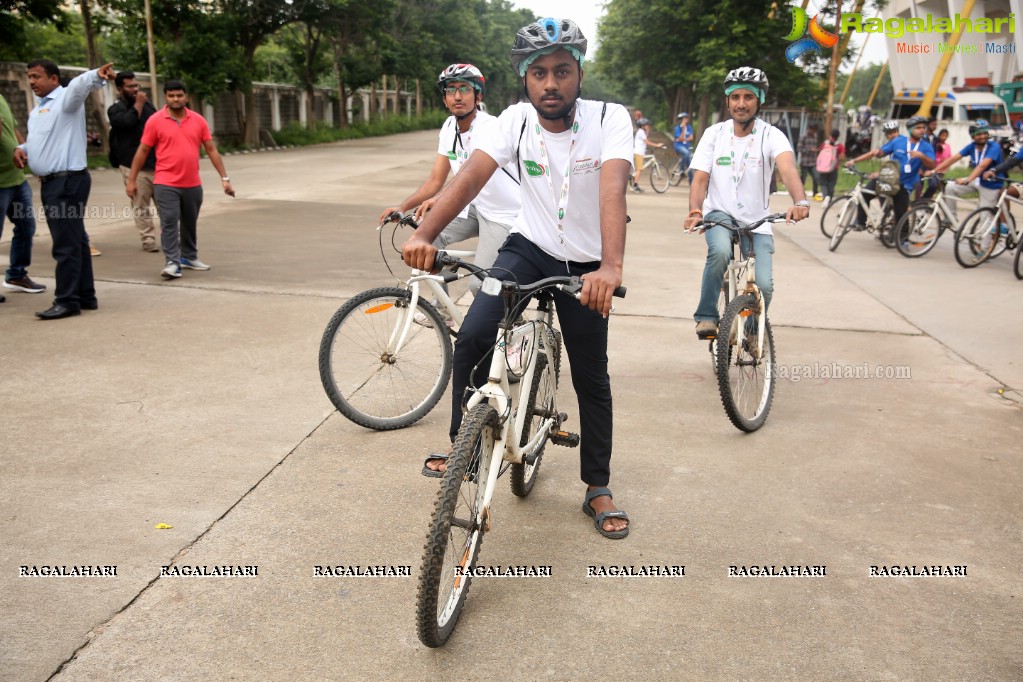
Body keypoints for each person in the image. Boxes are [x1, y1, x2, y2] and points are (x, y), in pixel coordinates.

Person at [402, 17, 633, 539]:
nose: (550, 83)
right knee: (475, 337)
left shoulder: (608, 119)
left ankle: (597, 486)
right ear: (524, 80)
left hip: (587, 262)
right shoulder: (515, 121)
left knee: (591, 375)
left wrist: (610, 268)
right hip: (527, 249)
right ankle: (464, 447)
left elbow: (612, 192)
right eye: (539, 74)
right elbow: (469, 177)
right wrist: (428, 236)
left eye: (562, 71)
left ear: (578, 74)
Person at [684, 66, 809, 341]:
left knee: (764, 285)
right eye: (735, 97)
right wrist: (695, 211)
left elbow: (787, 169)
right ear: (727, 100)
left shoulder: (771, 135)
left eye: (748, 97)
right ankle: (706, 316)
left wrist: (800, 200)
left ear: (759, 100)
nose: (741, 103)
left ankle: (751, 334)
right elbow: (700, 179)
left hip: (757, 219)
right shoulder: (713, 134)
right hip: (719, 213)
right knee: (719, 253)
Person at [378, 63, 519, 297]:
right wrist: (402, 207)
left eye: (464, 89)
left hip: (504, 214)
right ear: (444, 99)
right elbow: (435, 180)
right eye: (450, 90)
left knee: (482, 286)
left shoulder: (490, 128)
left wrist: (439, 199)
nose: (457, 96)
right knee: (424, 238)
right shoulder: (449, 128)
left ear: (478, 95)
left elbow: (469, 177)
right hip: (475, 207)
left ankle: (514, 328)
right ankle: (441, 309)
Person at [14, 59, 115, 320]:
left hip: (67, 182)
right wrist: (22, 149)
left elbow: (80, 86)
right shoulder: (37, 112)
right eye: (29, 77)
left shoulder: (66, 102)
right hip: (54, 183)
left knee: (65, 244)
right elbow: (40, 142)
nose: (32, 81)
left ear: (54, 79)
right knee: (77, 240)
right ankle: (85, 296)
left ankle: (67, 300)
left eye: (37, 76)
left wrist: (96, 75)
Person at [126, 80, 234, 280]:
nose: (175, 99)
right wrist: (132, 180)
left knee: (189, 222)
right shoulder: (156, 121)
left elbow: (211, 149)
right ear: (165, 97)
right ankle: (172, 262)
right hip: (165, 182)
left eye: (179, 95)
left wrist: (224, 178)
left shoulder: (198, 120)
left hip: (192, 183)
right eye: (171, 96)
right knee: (169, 222)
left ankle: (189, 257)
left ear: (186, 96)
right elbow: (142, 151)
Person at [844, 116, 935, 231]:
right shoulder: (898, 141)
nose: (922, 130)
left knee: (900, 211)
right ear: (910, 129)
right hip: (889, 179)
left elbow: (932, 165)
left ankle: (902, 238)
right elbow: (880, 153)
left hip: (905, 184)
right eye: (918, 127)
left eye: (923, 127)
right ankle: (861, 222)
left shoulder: (926, 146)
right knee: (865, 193)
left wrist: (921, 156)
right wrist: (875, 154)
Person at [0, 92, 46, 301]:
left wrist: (29, 153)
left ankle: (17, 275)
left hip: (16, 180)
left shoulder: (1, 97)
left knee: (27, 227)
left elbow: (13, 129)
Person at [108, 70, 159, 252]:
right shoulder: (115, 109)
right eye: (130, 87)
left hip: (155, 163)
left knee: (165, 203)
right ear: (120, 89)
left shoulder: (147, 106)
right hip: (132, 166)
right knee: (140, 204)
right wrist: (137, 104)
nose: (135, 89)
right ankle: (148, 239)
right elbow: (128, 122)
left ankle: (172, 236)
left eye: (136, 85)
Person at [929, 120, 1002, 221]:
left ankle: (987, 235)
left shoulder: (994, 146)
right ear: (972, 136)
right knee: (950, 187)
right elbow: (954, 158)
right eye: (979, 134)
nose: (983, 136)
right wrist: (934, 170)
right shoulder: (972, 146)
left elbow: (982, 165)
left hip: (990, 184)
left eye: (985, 133)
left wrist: (967, 179)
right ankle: (951, 217)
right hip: (976, 180)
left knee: (984, 217)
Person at [631, 117, 664, 192]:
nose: (648, 126)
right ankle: (635, 185)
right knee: (639, 169)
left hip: (639, 152)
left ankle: (633, 181)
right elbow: (647, 142)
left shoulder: (641, 132)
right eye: (646, 125)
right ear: (642, 126)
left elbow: (644, 140)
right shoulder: (641, 132)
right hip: (638, 153)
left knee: (638, 169)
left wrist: (647, 131)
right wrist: (657, 145)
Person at [816, 127, 845, 205]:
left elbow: (820, 153)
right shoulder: (839, 146)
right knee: (831, 183)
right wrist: (836, 158)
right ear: (838, 136)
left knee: (823, 183)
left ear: (830, 135)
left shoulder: (825, 144)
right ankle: (829, 199)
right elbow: (842, 157)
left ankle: (825, 196)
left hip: (823, 167)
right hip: (833, 168)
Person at [797, 124, 821, 200]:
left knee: (816, 178)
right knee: (803, 179)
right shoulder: (803, 137)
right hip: (805, 163)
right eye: (812, 130)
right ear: (809, 129)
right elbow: (799, 148)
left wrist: (817, 151)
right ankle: (799, 194)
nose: (813, 132)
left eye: (814, 131)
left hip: (813, 162)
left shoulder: (815, 137)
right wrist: (810, 150)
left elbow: (815, 148)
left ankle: (815, 193)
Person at [673, 112, 694, 181]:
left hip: (687, 147)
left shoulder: (689, 127)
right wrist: (683, 129)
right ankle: (681, 170)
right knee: (686, 153)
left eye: (686, 118)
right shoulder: (677, 128)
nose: (686, 119)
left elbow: (691, 138)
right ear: (681, 120)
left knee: (690, 166)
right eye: (684, 118)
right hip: (679, 146)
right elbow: (679, 139)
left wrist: (683, 139)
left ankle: (691, 183)